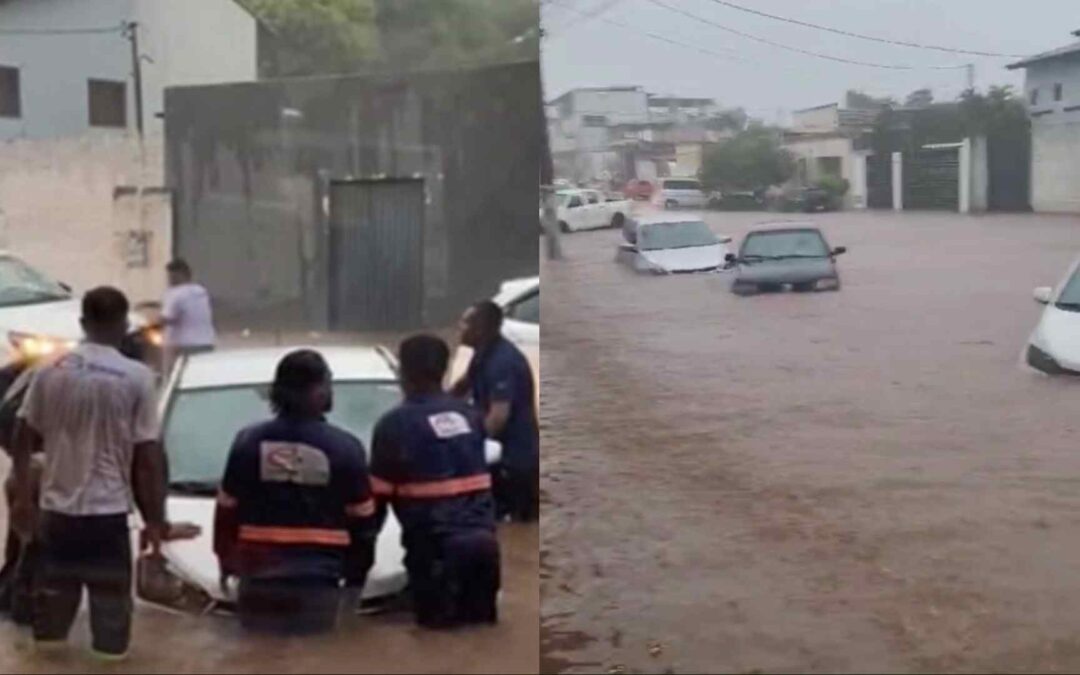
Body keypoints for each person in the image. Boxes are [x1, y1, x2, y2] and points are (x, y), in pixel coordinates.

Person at [8, 287, 167, 660]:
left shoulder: (49, 372)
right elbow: (148, 458)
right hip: (107, 519)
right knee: (111, 644)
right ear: (124, 325)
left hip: (56, 518)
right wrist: (155, 520)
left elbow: (22, 435)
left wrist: (21, 500)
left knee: (48, 637)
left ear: (83, 323)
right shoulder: (137, 378)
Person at [214, 349, 378, 635]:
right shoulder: (345, 448)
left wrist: (226, 560)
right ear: (316, 391)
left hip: (258, 581)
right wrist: (355, 579)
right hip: (317, 582)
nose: (331, 391)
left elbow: (226, 512)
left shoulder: (247, 443)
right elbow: (364, 526)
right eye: (328, 383)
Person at [371, 334, 500, 628]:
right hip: (485, 550)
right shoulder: (469, 416)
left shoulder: (394, 425)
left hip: (435, 555)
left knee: (437, 642)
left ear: (403, 372)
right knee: (480, 641)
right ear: (444, 369)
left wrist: (359, 561)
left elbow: (375, 503)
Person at [452, 301, 539, 522]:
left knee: (513, 525)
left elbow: (498, 417)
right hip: (500, 455)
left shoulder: (502, 362)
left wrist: (470, 449)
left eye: (464, 322)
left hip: (513, 461)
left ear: (479, 328)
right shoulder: (482, 355)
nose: (458, 327)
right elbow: (460, 389)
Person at [160, 259, 216, 373]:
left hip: (182, 346)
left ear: (180, 275)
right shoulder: (201, 291)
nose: (169, 279)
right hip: (206, 342)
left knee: (176, 377)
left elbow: (166, 318)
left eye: (171, 276)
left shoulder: (175, 293)